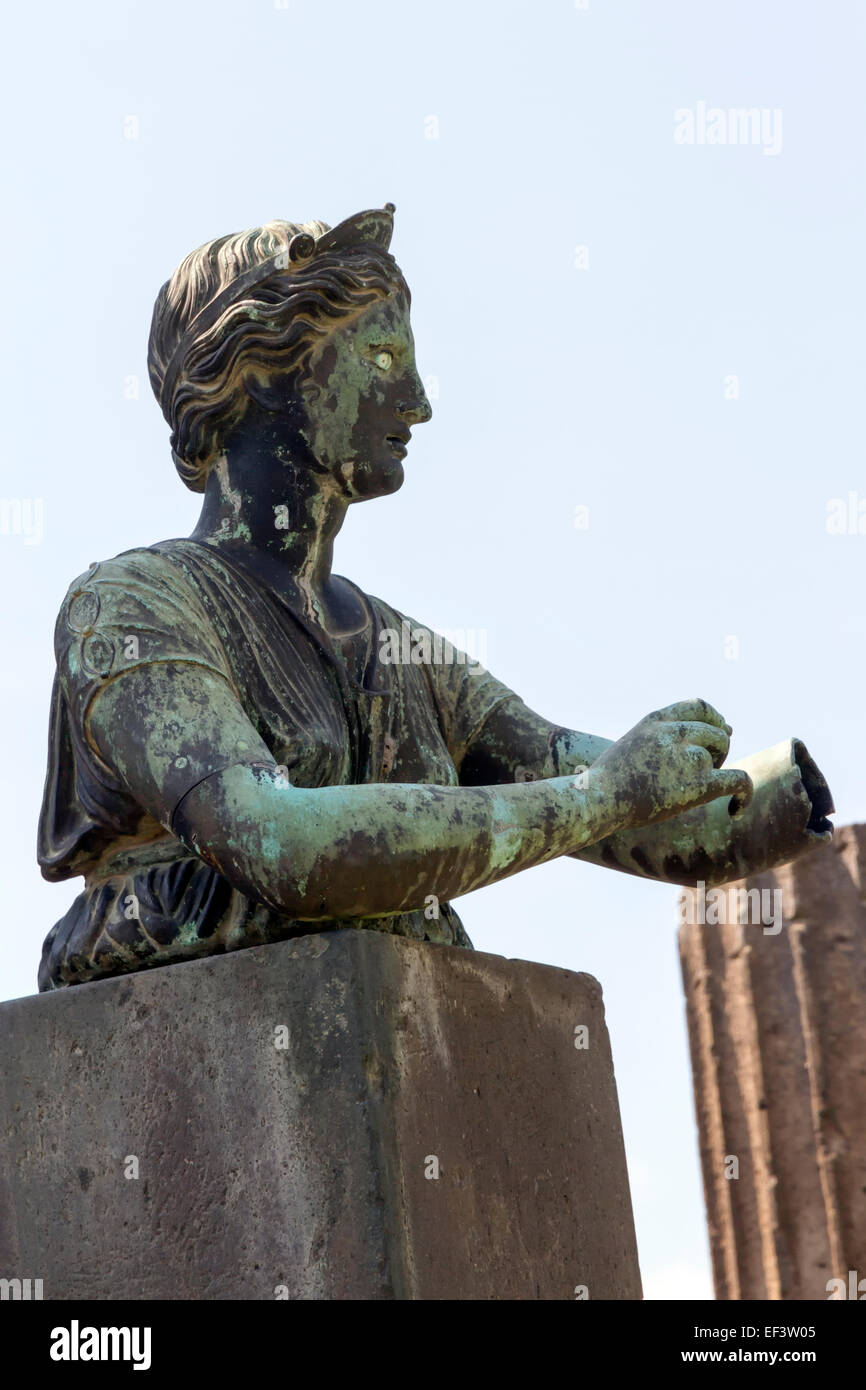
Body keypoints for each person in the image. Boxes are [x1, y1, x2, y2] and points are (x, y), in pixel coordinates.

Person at [36, 205, 833, 990]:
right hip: (207, 1046)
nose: (418, 401)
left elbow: (570, 766)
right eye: (381, 359)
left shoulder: (395, 647)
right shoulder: (129, 607)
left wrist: (772, 792)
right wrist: (600, 798)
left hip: (416, 1021)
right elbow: (277, 842)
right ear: (262, 368)